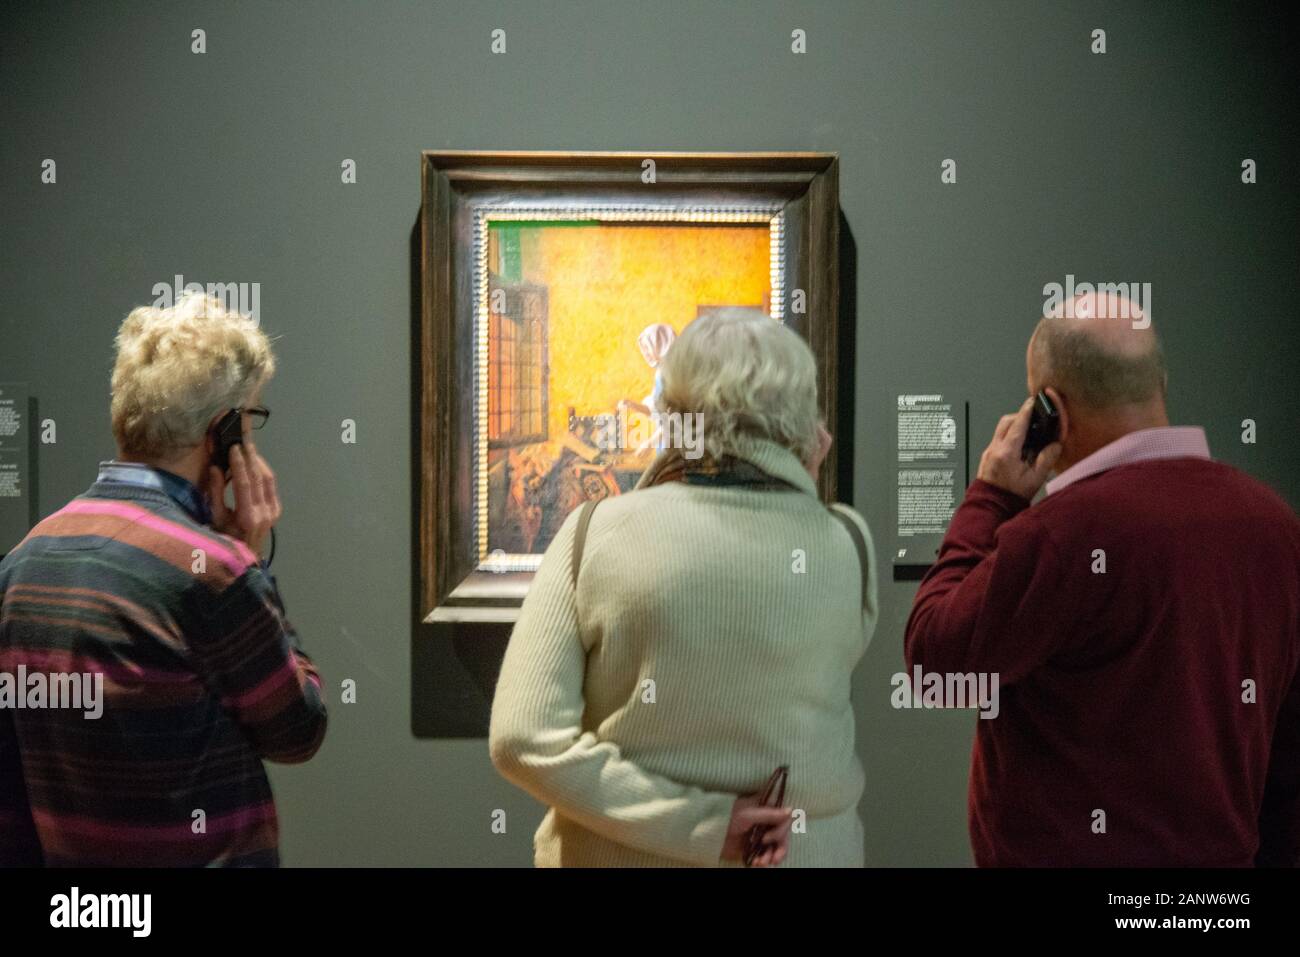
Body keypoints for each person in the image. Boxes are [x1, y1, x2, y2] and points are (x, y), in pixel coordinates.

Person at [905, 290, 1300, 867]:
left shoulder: (1060, 534)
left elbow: (936, 660)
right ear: (1160, 385)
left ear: (1048, 411)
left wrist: (991, 496)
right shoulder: (1275, 524)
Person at [490, 307, 877, 867]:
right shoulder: (850, 543)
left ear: (670, 413)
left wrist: (702, 825)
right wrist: (799, 475)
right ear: (805, 420)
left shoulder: (594, 535)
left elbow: (523, 740)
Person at [0, 291, 327, 867]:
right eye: (251, 419)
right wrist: (249, 562)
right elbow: (298, 730)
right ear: (224, 433)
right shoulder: (214, 573)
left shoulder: (23, 563)